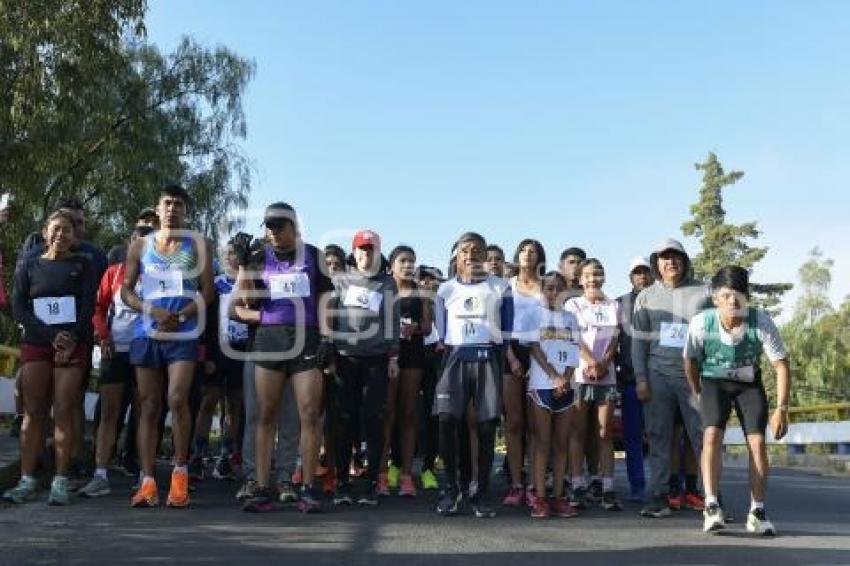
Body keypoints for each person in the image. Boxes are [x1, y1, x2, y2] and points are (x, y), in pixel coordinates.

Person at [230, 203, 334, 513]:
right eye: (269, 227)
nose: (273, 233)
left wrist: (328, 337)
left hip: (307, 338)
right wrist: (245, 266)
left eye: (279, 226)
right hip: (270, 339)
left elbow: (326, 298)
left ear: (293, 226)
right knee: (266, 413)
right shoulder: (259, 257)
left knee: (309, 412)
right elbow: (245, 302)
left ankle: (307, 487)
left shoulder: (313, 256)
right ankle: (263, 487)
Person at [121, 184, 215, 509]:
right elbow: (126, 292)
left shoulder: (199, 245)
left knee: (177, 398)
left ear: (186, 211)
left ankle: (179, 470)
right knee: (148, 405)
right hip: (147, 331)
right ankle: (147, 480)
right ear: (157, 209)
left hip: (184, 332)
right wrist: (152, 310)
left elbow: (208, 292)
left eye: (178, 204)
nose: (172, 208)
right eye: (167, 203)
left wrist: (182, 314)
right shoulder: (140, 246)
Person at [684, 266, 791, 536]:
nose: (733, 301)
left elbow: (781, 366)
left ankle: (757, 511)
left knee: (757, 443)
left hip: (748, 385)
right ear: (715, 298)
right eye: (726, 295)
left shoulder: (761, 321)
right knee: (711, 437)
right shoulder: (701, 323)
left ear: (748, 297)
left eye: (739, 295)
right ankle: (711, 506)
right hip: (713, 383)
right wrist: (697, 391)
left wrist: (782, 409)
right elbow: (690, 361)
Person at [4, 210, 97, 505]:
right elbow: (19, 308)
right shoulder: (28, 265)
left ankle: (60, 478)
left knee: (64, 407)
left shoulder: (84, 264)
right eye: (56, 229)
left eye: (67, 230)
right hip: (38, 343)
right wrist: (49, 335)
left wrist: (69, 338)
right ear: (45, 232)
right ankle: (27, 478)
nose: (61, 235)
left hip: (72, 344)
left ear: (75, 235)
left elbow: (88, 307)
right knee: (33, 411)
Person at [433, 232, 512, 518]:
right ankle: (451, 489)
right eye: (465, 250)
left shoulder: (501, 287)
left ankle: (481, 493)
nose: (470, 255)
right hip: (454, 359)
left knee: (487, 426)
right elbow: (441, 333)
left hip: (487, 359)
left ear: (484, 255)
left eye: (477, 250)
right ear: (457, 256)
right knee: (446, 421)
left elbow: (506, 331)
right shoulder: (445, 290)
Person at [633, 238, 711, 518]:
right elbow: (638, 343)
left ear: (685, 261)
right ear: (657, 264)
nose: (670, 262)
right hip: (658, 375)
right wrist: (641, 378)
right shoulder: (646, 296)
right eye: (664, 258)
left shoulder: (704, 292)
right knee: (658, 437)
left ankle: (711, 496)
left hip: (695, 377)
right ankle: (659, 495)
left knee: (704, 437)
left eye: (676, 256)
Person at [79, 225, 152, 498]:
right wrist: (104, 336)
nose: (142, 242)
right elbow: (97, 308)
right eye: (137, 237)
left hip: (147, 349)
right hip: (116, 349)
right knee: (110, 411)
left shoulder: (160, 275)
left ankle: (146, 476)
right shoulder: (114, 272)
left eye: (148, 238)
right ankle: (100, 474)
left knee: (146, 411)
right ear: (129, 241)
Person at [330, 229, 400, 507]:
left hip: (376, 359)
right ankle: (342, 483)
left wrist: (394, 357)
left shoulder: (388, 284)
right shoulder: (341, 279)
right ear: (354, 251)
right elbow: (332, 316)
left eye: (370, 249)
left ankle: (371, 480)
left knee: (373, 419)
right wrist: (331, 353)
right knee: (344, 420)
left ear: (378, 252)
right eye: (361, 249)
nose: (366, 254)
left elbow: (393, 321)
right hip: (345, 358)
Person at [566, 258, 622, 511]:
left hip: (606, 376)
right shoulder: (573, 304)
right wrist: (590, 362)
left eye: (598, 274)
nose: (593, 279)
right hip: (580, 374)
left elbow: (614, 340)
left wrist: (603, 363)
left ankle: (607, 487)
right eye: (587, 275)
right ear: (580, 279)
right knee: (578, 432)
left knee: (604, 432)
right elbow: (574, 337)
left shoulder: (614, 305)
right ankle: (577, 483)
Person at [376, 245, 432, 498]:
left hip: (413, 355)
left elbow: (428, 327)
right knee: (387, 413)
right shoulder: (383, 290)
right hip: (387, 355)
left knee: (409, 414)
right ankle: (382, 473)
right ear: (391, 265)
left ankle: (408, 475)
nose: (408, 265)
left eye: (412, 261)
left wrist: (415, 329)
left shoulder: (420, 293)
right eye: (403, 261)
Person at [527, 271, 580, 519]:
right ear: (542, 290)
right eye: (549, 288)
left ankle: (558, 496)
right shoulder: (535, 315)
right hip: (541, 385)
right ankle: (539, 497)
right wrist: (553, 376)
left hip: (566, 387)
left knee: (561, 444)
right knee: (542, 442)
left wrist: (566, 378)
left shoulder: (571, 318)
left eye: (558, 288)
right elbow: (535, 348)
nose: (554, 293)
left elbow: (573, 351)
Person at [502, 239, 545, 507]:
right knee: (514, 422)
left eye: (533, 252)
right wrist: (511, 358)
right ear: (517, 256)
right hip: (511, 352)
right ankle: (516, 483)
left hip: (540, 353)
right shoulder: (506, 287)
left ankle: (534, 484)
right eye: (524, 251)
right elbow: (500, 325)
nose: (528, 255)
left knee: (535, 425)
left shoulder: (546, 287)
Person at [615, 256, 653, 502]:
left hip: (659, 379)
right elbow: (612, 340)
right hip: (629, 380)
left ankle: (671, 485)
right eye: (637, 273)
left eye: (645, 272)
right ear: (630, 277)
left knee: (662, 436)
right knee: (632, 438)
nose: (641, 276)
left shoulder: (665, 301)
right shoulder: (619, 304)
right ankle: (637, 486)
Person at [415, 265, 445, 491]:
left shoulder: (443, 303)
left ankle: (428, 466)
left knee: (432, 414)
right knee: (404, 414)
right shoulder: (408, 301)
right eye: (423, 279)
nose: (428, 283)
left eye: (433, 280)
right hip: (411, 358)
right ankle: (395, 465)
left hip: (437, 360)